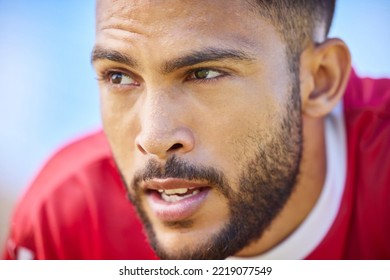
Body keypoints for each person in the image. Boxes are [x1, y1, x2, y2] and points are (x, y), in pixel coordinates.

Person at [3, 0, 390, 260]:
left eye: (204, 74)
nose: (153, 140)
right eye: (119, 76)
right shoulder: (65, 221)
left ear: (320, 79)